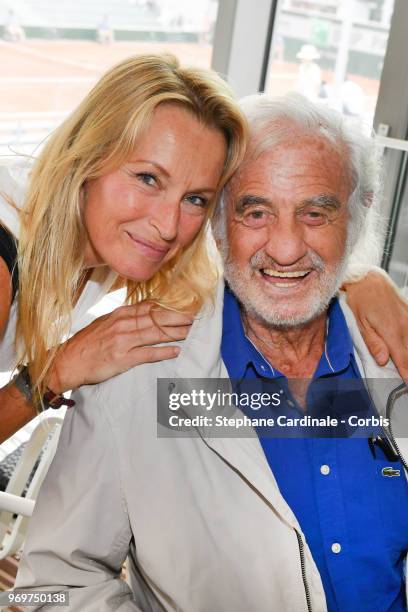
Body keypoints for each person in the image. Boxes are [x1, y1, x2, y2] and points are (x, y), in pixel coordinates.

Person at [14, 94, 408, 611]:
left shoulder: (392, 346)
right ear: (218, 226)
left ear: (357, 220)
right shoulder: (135, 375)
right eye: (256, 212)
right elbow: (50, 584)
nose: (286, 248)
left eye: (315, 213)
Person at [0, 53, 247, 443]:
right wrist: (57, 370)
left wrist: (359, 281)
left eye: (196, 199)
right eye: (148, 178)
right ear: (89, 157)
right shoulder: (4, 261)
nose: (167, 227)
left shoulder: (105, 241)